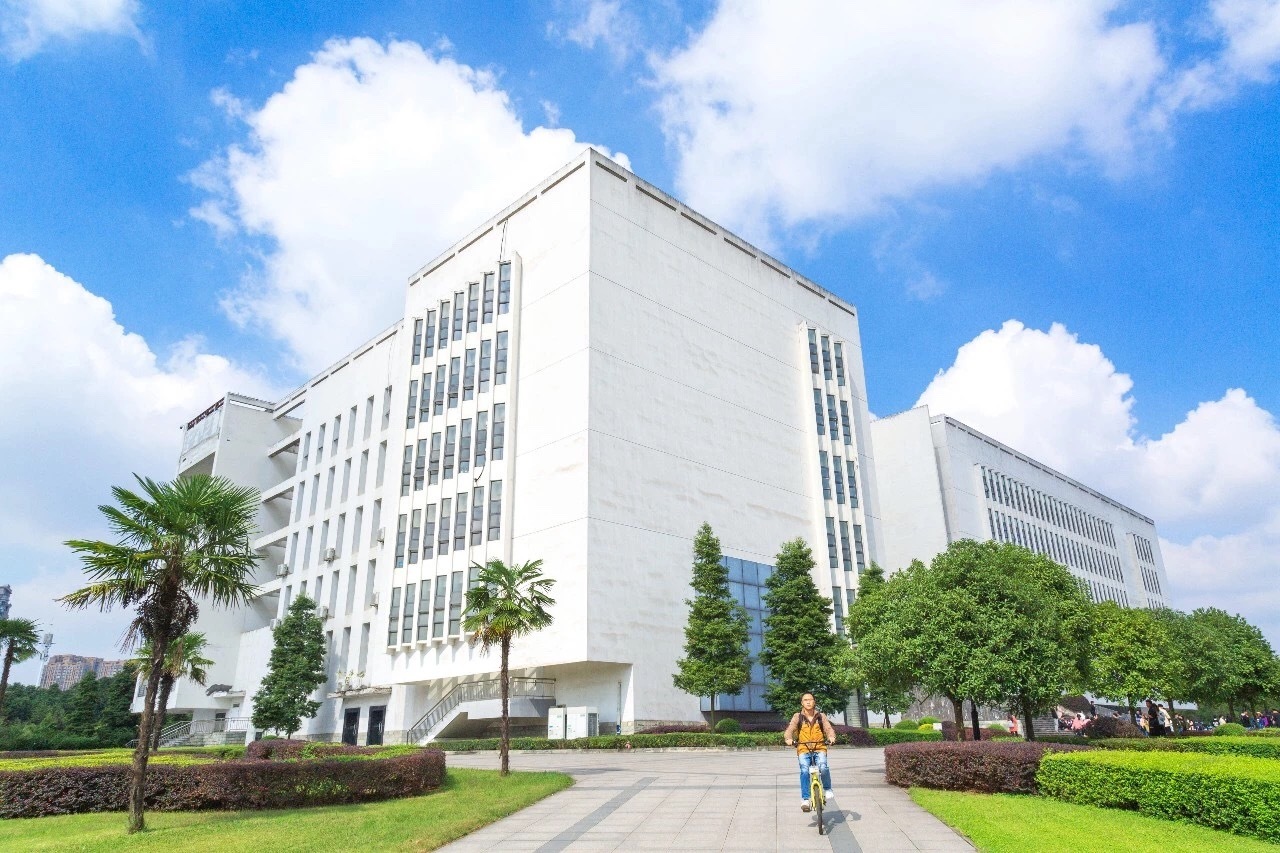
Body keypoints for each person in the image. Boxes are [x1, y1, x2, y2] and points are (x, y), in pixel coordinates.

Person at [784, 692, 836, 813]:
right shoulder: (798, 717)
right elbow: (790, 729)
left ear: (814, 702)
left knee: (823, 767)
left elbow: (828, 728)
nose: (808, 702)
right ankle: (805, 799)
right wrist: (788, 739)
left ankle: (827, 789)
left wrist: (831, 737)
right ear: (802, 703)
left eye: (810, 699)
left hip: (819, 747)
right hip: (803, 748)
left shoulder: (821, 716)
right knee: (804, 770)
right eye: (805, 700)